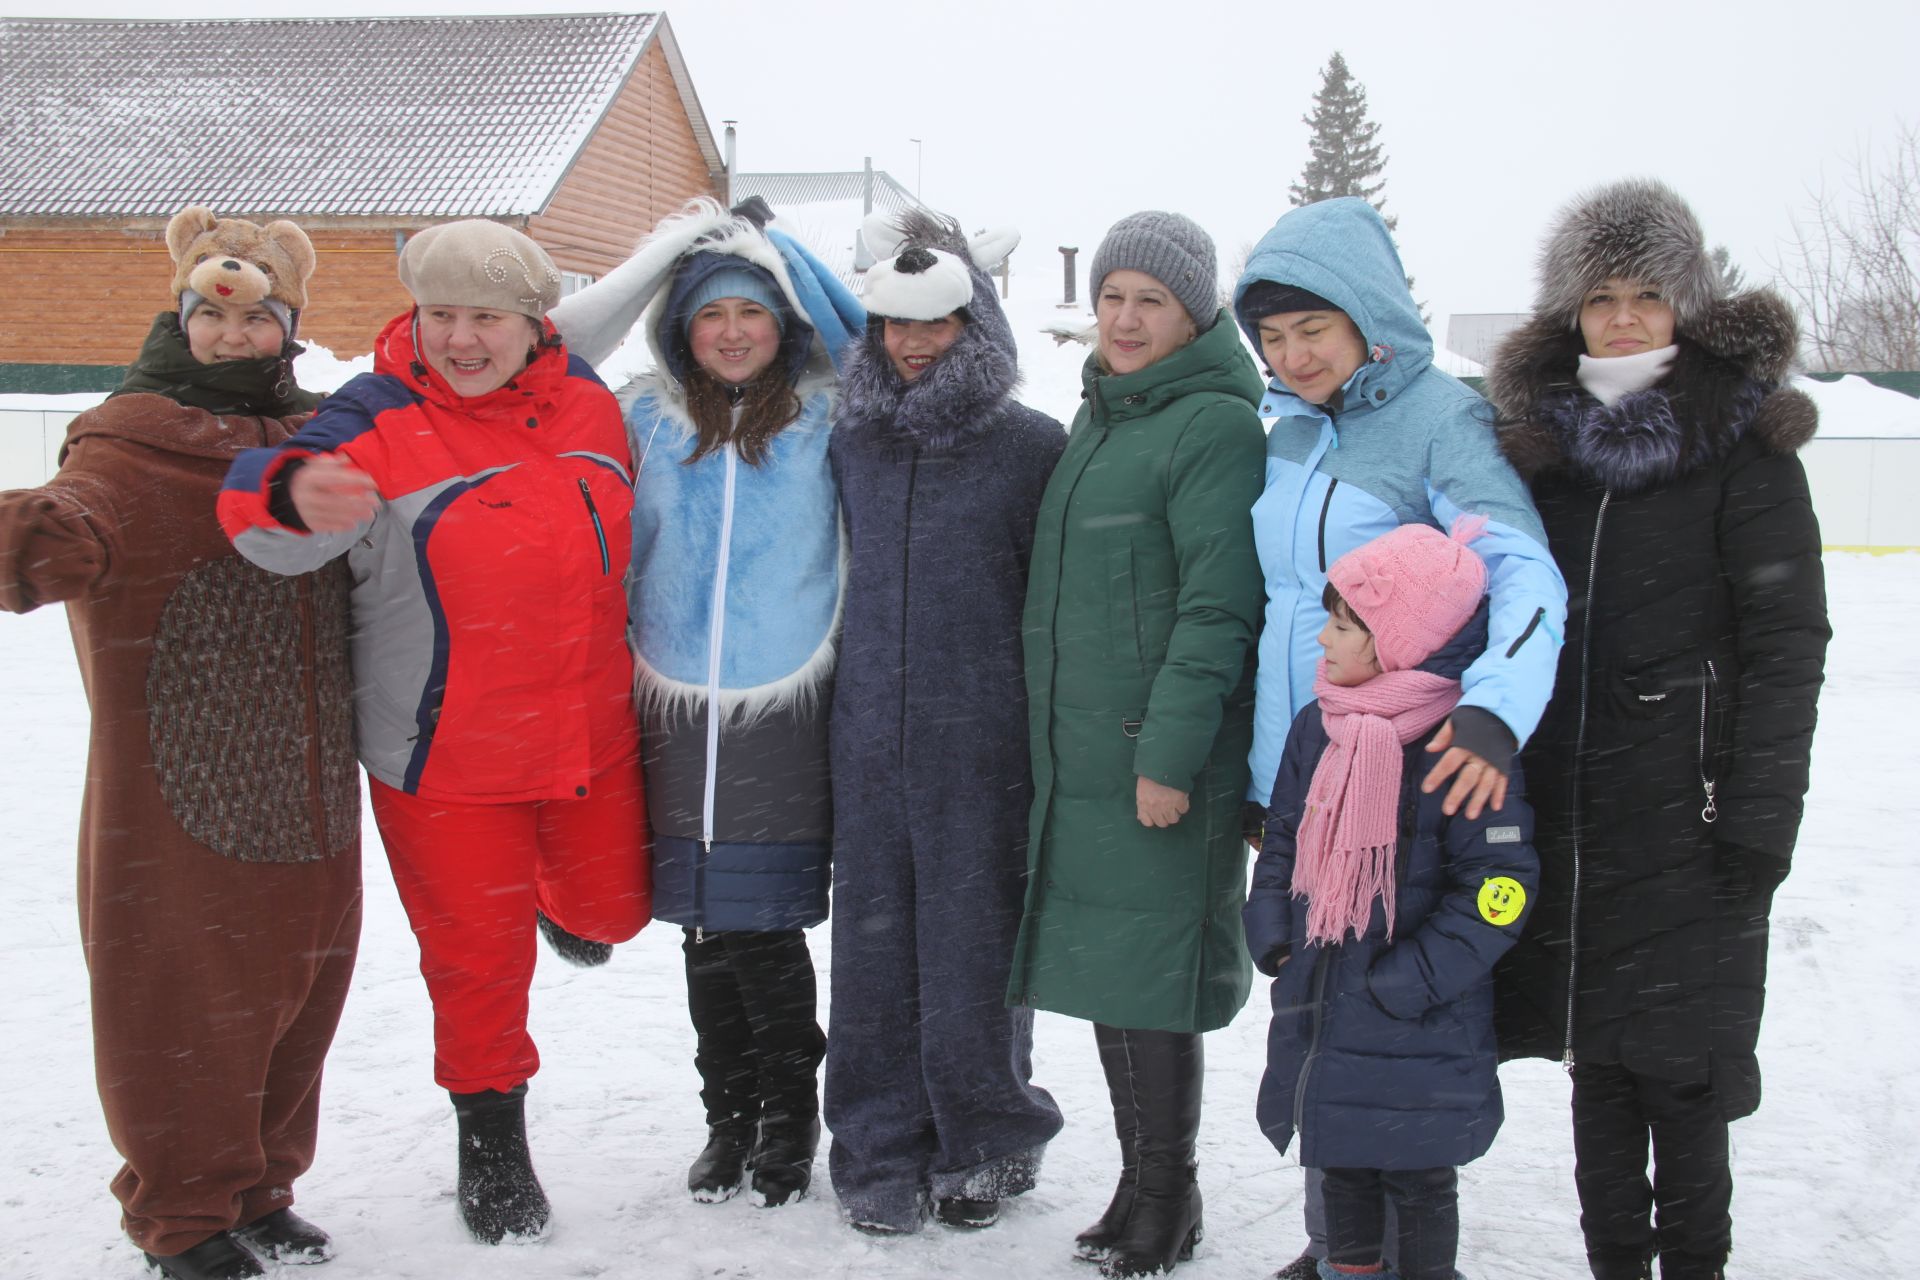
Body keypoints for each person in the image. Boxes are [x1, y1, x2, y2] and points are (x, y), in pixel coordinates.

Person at [220, 219, 649, 1247]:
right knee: (476, 961)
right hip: (443, 752)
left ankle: (564, 897)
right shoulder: (371, 411)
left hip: (591, 734)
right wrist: (287, 495)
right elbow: (254, 510)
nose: (462, 338)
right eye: (443, 314)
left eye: (487, 318)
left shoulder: (592, 401)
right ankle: (492, 1141)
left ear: (531, 324)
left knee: (615, 913)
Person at [0, 206, 360, 1280]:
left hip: (311, 785)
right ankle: (182, 1211)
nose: (233, 335)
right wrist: (36, 534)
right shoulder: (129, 443)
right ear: (183, 314)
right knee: (183, 1000)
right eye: (212, 314)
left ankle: (259, 1184)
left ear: (288, 327)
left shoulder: (321, 437)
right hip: (182, 786)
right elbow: (66, 527)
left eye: (256, 321)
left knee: (300, 992)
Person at [1487, 179, 1829, 1280]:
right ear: (1570, 314)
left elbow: (1787, 644)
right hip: (1578, 823)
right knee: (1596, 1073)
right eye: (1601, 298)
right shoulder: (1545, 453)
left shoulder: (1744, 446)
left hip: (1696, 825)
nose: (1624, 317)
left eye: (1647, 293)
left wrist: (1759, 821)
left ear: (1687, 303)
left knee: (1682, 1077)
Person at [1229, 196, 1568, 1279]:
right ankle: (1343, 1246)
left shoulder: (1439, 418)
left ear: (1368, 317)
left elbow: (1523, 571)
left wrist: (1496, 705)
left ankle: (1397, 1255)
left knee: (1393, 1029)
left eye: (1311, 331)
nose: (1292, 355)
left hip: (1413, 777)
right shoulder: (1288, 423)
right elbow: (1283, 599)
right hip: (1310, 768)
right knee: (1321, 1014)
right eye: (1271, 337)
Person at [549, 198, 865, 1210]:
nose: (732, 331)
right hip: (672, 708)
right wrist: (662, 250)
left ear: (786, 326)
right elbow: (551, 350)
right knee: (702, 931)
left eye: (754, 312)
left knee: (763, 929)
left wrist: (770, 247)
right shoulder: (644, 414)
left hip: (784, 705)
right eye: (709, 313)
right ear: (680, 329)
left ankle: (786, 1115)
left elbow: (867, 335)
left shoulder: (830, 413)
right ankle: (724, 1113)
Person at [1006, 210, 1265, 1277]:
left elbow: (1216, 608)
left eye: (1150, 300)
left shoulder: (1213, 426)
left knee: (1154, 979)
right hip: (1084, 759)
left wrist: (1168, 755)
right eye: (1113, 295)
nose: (1124, 317)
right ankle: (1138, 1179)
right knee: (1116, 976)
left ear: (1194, 312)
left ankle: (1172, 1191)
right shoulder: (1104, 418)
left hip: (1153, 759)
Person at [821, 209, 1066, 1234]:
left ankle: (989, 1133)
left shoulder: (1031, 447)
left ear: (978, 322)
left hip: (986, 738)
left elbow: (1057, 605)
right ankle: (877, 1144)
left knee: (977, 947)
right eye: (893, 326)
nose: (914, 345)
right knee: (874, 950)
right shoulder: (851, 444)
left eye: (937, 324)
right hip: (870, 731)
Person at [1244, 520, 1538, 1280]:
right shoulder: (1322, 723)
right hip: (1323, 997)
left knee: (1417, 1178)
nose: (1324, 639)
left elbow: (1499, 889)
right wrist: (1274, 932)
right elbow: (1286, 837)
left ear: (1399, 638)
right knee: (1340, 1161)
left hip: (1419, 1020)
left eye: (1345, 626)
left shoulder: (1459, 741)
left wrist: (1408, 981)